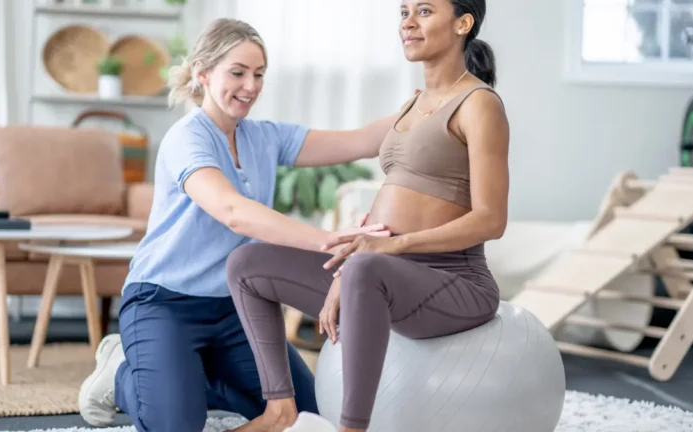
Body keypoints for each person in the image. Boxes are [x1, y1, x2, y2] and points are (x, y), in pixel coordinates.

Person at [76, 18, 397, 432]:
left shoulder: (265, 137)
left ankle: (184, 375)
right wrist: (327, 239)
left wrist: (425, 105)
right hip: (164, 303)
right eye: (238, 72)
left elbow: (360, 140)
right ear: (203, 73)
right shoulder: (186, 138)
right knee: (174, 426)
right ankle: (123, 373)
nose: (251, 86)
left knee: (310, 411)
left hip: (234, 311)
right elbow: (232, 210)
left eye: (259, 74)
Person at [224, 1, 509, 431]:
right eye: (403, 12)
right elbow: (390, 198)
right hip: (380, 274)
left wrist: (389, 248)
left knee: (365, 269)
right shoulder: (413, 106)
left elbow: (491, 219)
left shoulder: (479, 104)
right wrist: (346, 269)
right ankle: (279, 410)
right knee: (247, 265)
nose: (408, 23)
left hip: (454, 280)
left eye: (425, 11)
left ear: (463, 23)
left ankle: (351, 428)